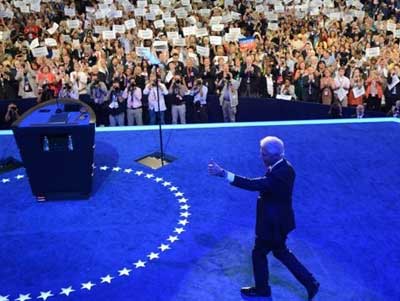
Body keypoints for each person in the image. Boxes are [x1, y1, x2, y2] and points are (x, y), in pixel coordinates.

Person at [208, 136, 319, 300]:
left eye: (264, 154)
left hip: (272, 225)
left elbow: (254, 184)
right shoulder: (281, 165)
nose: (261, 156)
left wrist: (223, 174)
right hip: (279, 222)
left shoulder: (281, 173)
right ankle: (309, 282)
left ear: (273, 156)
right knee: (280, 252)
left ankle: (263, 289)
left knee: (260, 253)